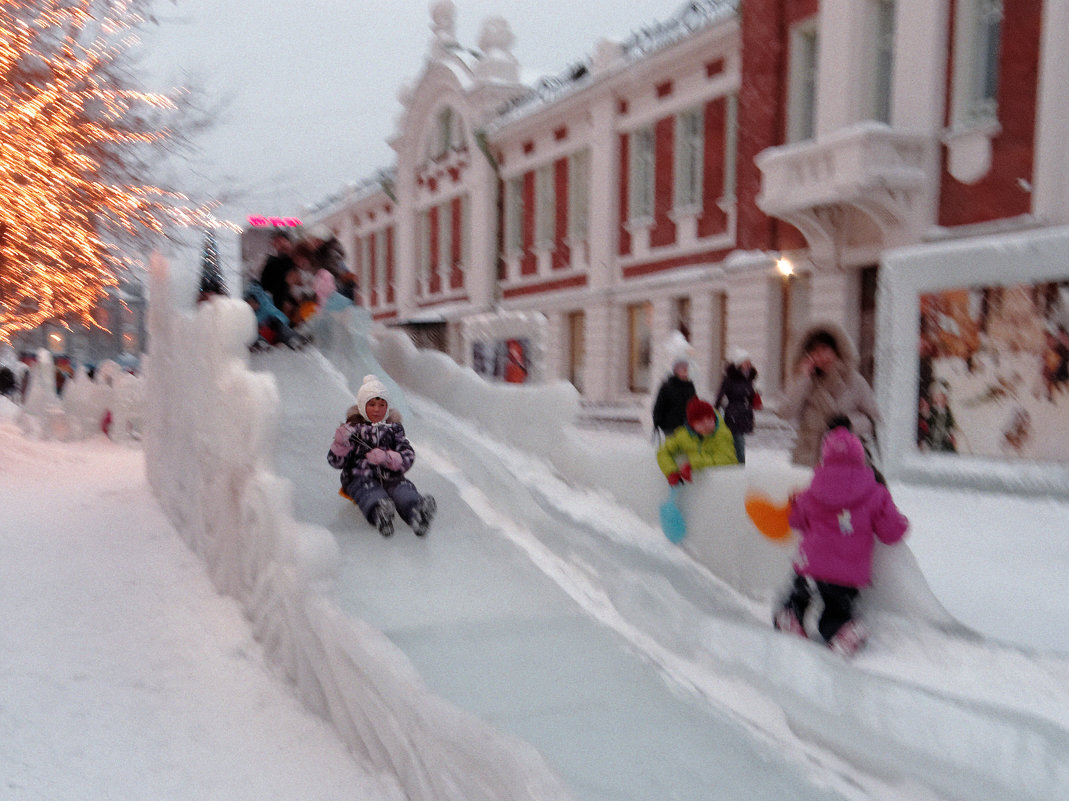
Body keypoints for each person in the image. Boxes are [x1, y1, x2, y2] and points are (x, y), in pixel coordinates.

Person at [773, 426, 909, 656]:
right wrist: (902, 522)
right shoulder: (876, 493)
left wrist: (796, 504)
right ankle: (843, 630)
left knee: (797, 597)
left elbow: (796, 521)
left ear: (824, 458)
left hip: (811, 566)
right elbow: (891, 532)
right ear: (861, 458)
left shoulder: (813, 489)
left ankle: (791, 618)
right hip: (848, 574)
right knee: (836, 609)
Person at [327, 374, 436, 537]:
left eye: (381, 404)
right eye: (371, 404)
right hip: (360, 477)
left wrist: (387, 457)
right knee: (369, 493)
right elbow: (336, 462)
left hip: (390, 476)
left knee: (403, 490)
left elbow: (407, 456)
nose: (377, 409)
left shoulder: (393, 430)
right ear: (363, 406)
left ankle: (417, 513)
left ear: (387, 407)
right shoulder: (353, 430)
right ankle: (380, 514)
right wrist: (340, 444)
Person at [780, 322, 881, 468]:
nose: (819, 355)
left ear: (836, 350)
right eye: (813, 351)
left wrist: (849, 423)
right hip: (809, 461)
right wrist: (804, 379)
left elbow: (873, 419)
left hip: (846, 459)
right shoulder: (804, 382)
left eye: (824, 349)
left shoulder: (854, 381)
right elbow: (785, 412)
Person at [656, 396, 738, 485]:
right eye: (700, 422)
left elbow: (728, 460)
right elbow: (663, 451)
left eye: (709, 418)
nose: (707, 424)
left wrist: (692, 463)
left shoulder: (722, 434)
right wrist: (671, 471)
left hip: (718, 485)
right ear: (692, 425)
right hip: (695, 487)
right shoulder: (683, 435)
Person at [714, 349, 760, 464]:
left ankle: (735, 465)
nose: (748, 365)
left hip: (745, 413)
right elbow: (720, 395)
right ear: (739, 364)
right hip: (733, 413)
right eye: (746, 362)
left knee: (739, 441)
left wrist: (755, 399)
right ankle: (738, 466)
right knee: (738, 441)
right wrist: (715, 411)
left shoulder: (749, 378)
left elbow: (749, 394)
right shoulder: (730, 378)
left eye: (749, 362)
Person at [257, 230, 298, 321]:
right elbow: (265, 284)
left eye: (282, 241)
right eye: (277, 242)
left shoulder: (295, 261)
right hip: (276, 303)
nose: (280, 245)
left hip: (286, 303)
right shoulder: (271, 261)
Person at [652, 358, 696, 439]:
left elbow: (695, 403)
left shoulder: (690, 386)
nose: (685, 370)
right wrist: (657, 422)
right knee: (672, 448)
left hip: (686, 425)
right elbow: (659, 405)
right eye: (682, 368)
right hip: (670, 425)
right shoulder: (667, 386)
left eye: (686, 368)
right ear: (676, 370)